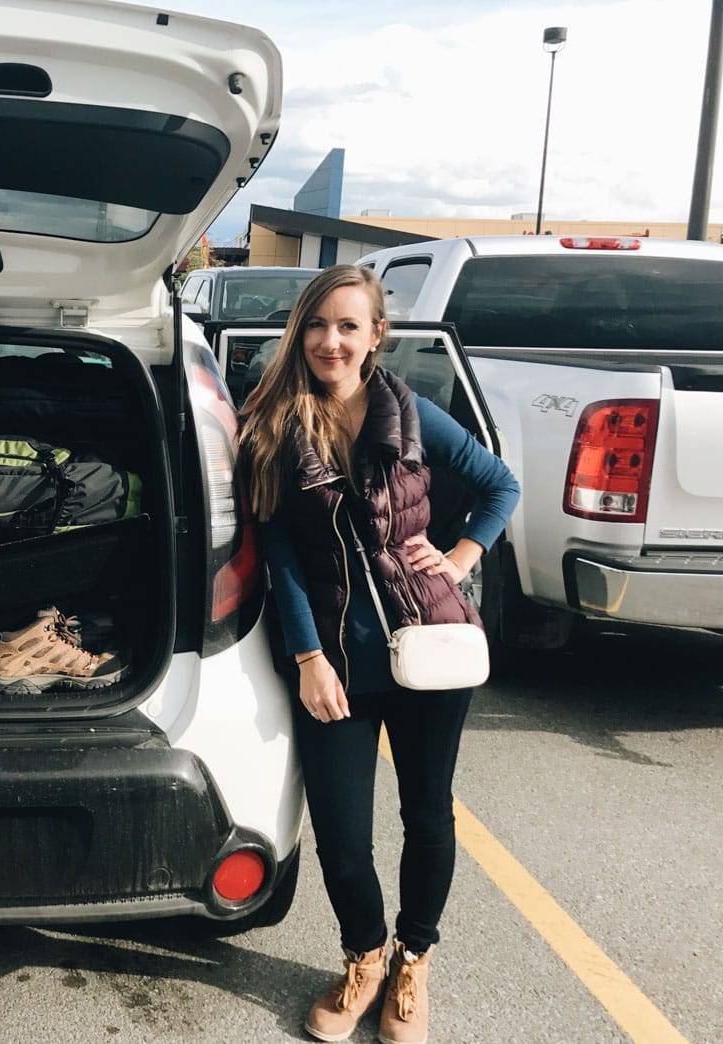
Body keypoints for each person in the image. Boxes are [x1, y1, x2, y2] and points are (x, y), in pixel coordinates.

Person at [236, 265, 519, 1044]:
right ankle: (364, 957)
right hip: (337, 661)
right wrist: (306, 656)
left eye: (348, 326)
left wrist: (460, 557)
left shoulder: (417, 415)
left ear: (376, 335)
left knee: (428, 813)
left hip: (430, 645)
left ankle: (413, 961)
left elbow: (500, 485)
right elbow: (280, 554)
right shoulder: (274, 427)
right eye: (319, 325)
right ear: (302, 332)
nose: (331, 341)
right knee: (340, 835)